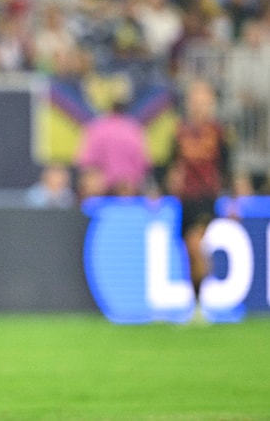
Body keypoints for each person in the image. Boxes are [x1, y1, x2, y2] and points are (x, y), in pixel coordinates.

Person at [165, 79, 231, 323]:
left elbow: (226, 165)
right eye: (196, 101)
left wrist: (233, 195)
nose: (199, 106)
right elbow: (170, 164)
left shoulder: (218, 132)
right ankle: (197, 304)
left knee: (195, 245)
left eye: (204, 101)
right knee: (188, 254)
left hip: (206, 197)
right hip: (186, 199)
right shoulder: (179, 131)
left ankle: (200, 304)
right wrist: (166, 184)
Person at [75, 94, 151, 197]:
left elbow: (84, 161)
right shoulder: (135, 129)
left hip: (103, 190)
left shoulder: (96, 127)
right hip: (127, 190)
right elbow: (145, 163)